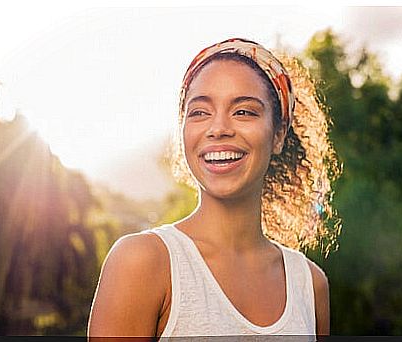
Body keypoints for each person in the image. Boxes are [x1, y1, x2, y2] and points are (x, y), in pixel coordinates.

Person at [88, 38, 341, 339]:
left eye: (244, 112)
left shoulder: (310, 285)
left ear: (278, 134)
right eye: (200, 112)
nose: (218, 128)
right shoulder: (143, 262)